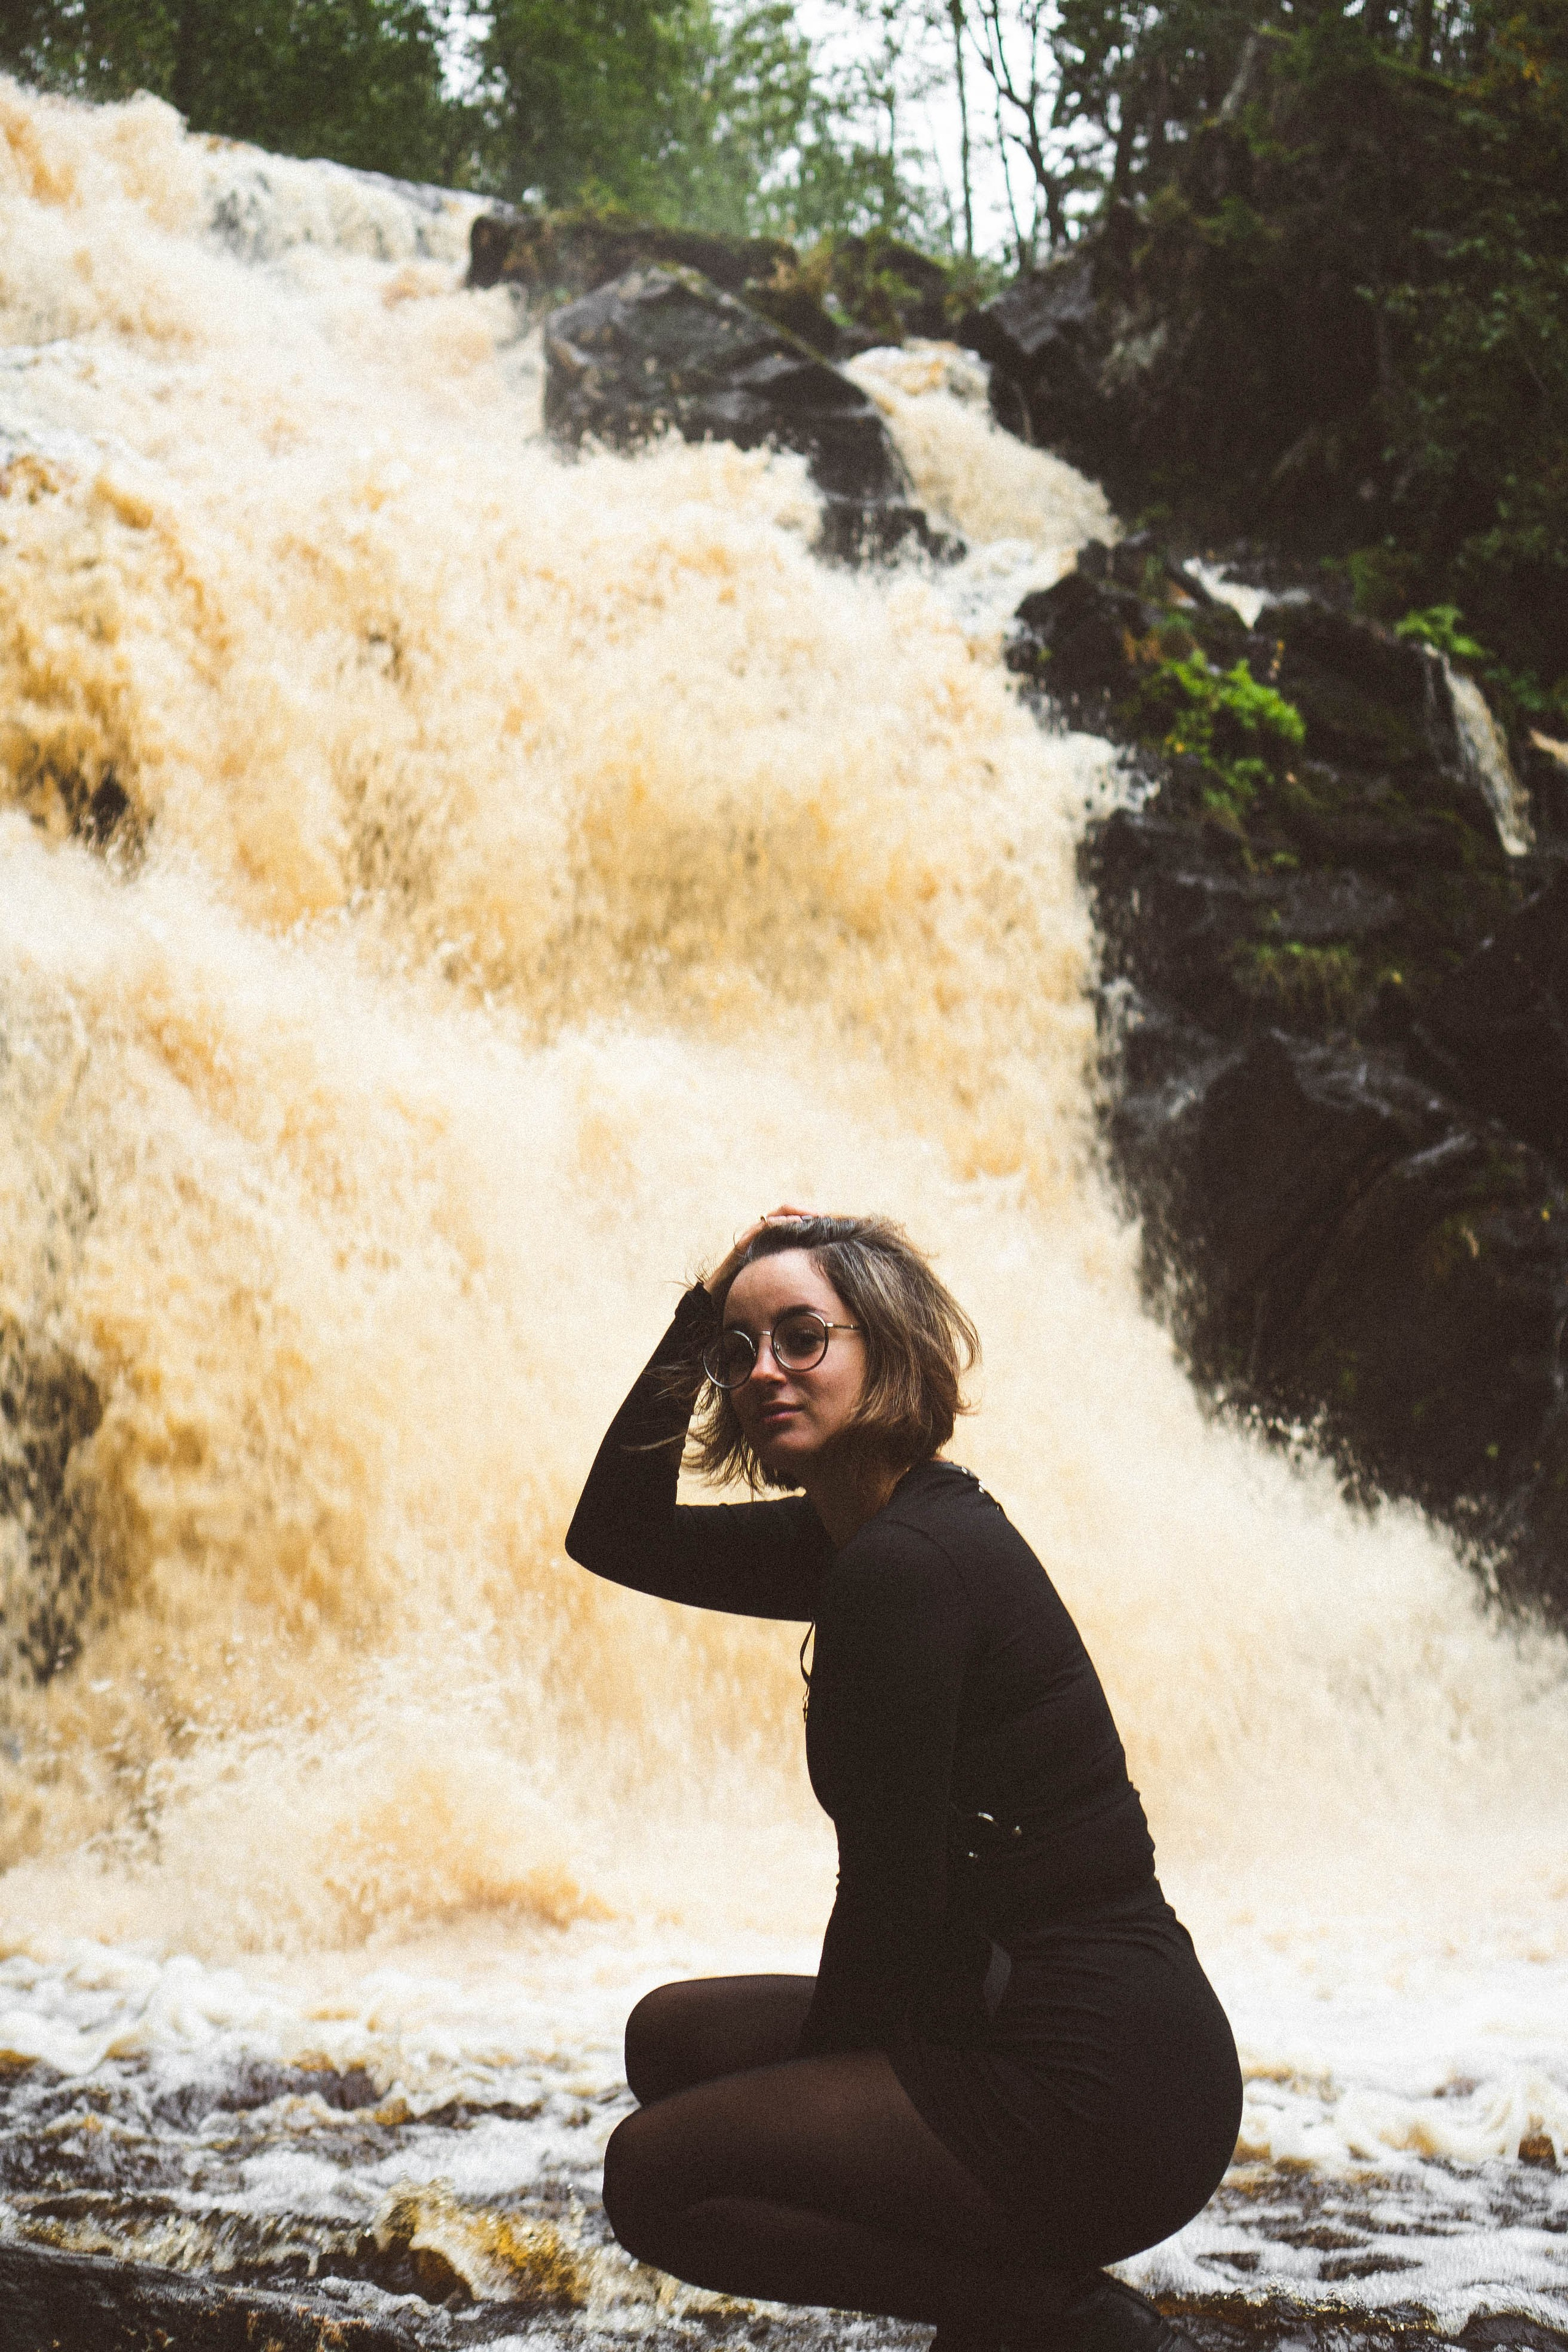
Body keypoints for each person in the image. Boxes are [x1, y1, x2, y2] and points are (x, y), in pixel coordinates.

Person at [565, 1210, 1241, 2352]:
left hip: (1100, 2081)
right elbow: (614, 1533)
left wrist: (823, 2128)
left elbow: (889, 1896)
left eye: (801, 1337)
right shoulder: (863, 1534)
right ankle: (1014, 2276)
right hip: (1019, 2010)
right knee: (669, 2042)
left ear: (882, 1347)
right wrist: (701, 1308)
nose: (763, 1371)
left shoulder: (903, 1569)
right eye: (741, 1352)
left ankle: (1052, 2318)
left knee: (655, 2178)